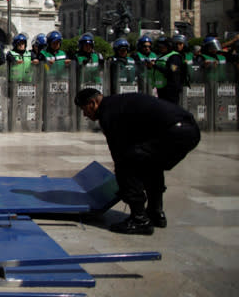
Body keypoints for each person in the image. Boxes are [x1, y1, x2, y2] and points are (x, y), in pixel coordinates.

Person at [75, 88, 200, 235]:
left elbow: (119, 154)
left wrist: (126, 187)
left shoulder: (108, 113)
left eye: (84, 109)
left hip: (175, 132)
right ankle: (155, 213)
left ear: (93, 103)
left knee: (127, 163)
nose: (85, 114)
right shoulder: (118, 103)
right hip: (189, 130)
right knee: (151, 163)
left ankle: (139, 220)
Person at [149, 36, 184, 104]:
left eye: (163, 46)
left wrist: (155, 66)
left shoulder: (174, 57)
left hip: (170, 90)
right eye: (159, 46)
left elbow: (172, 71)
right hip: (161, 88)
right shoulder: (161, 56)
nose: (160, 48)